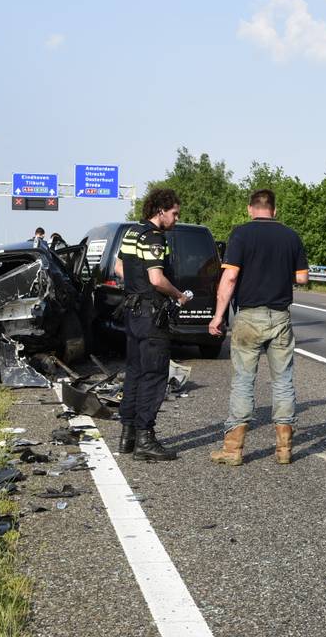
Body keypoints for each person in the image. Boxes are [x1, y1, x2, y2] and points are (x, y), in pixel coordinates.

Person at [208, 189, 309, 467]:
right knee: (283, 381)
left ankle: (233, 449)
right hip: (280, 318)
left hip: (249, 317)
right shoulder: (291, 236)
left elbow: (229, 278)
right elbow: (302, 277)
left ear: (250, 208)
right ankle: (284, 448)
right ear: (274, 211)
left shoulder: (241, 234)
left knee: (243, 380)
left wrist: (218, 316)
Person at [113, 188, 191, 461]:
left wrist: (136, 286)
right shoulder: (155, 238)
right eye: (174, 213)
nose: (176, 219)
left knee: (134, 371)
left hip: (132, 312)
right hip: (151, 314)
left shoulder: (132, 233)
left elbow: (118, 267)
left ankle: (128, 437)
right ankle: (146, 438)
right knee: (154, 375)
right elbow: (157, 279)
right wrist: (179, 295)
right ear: (161, 211)